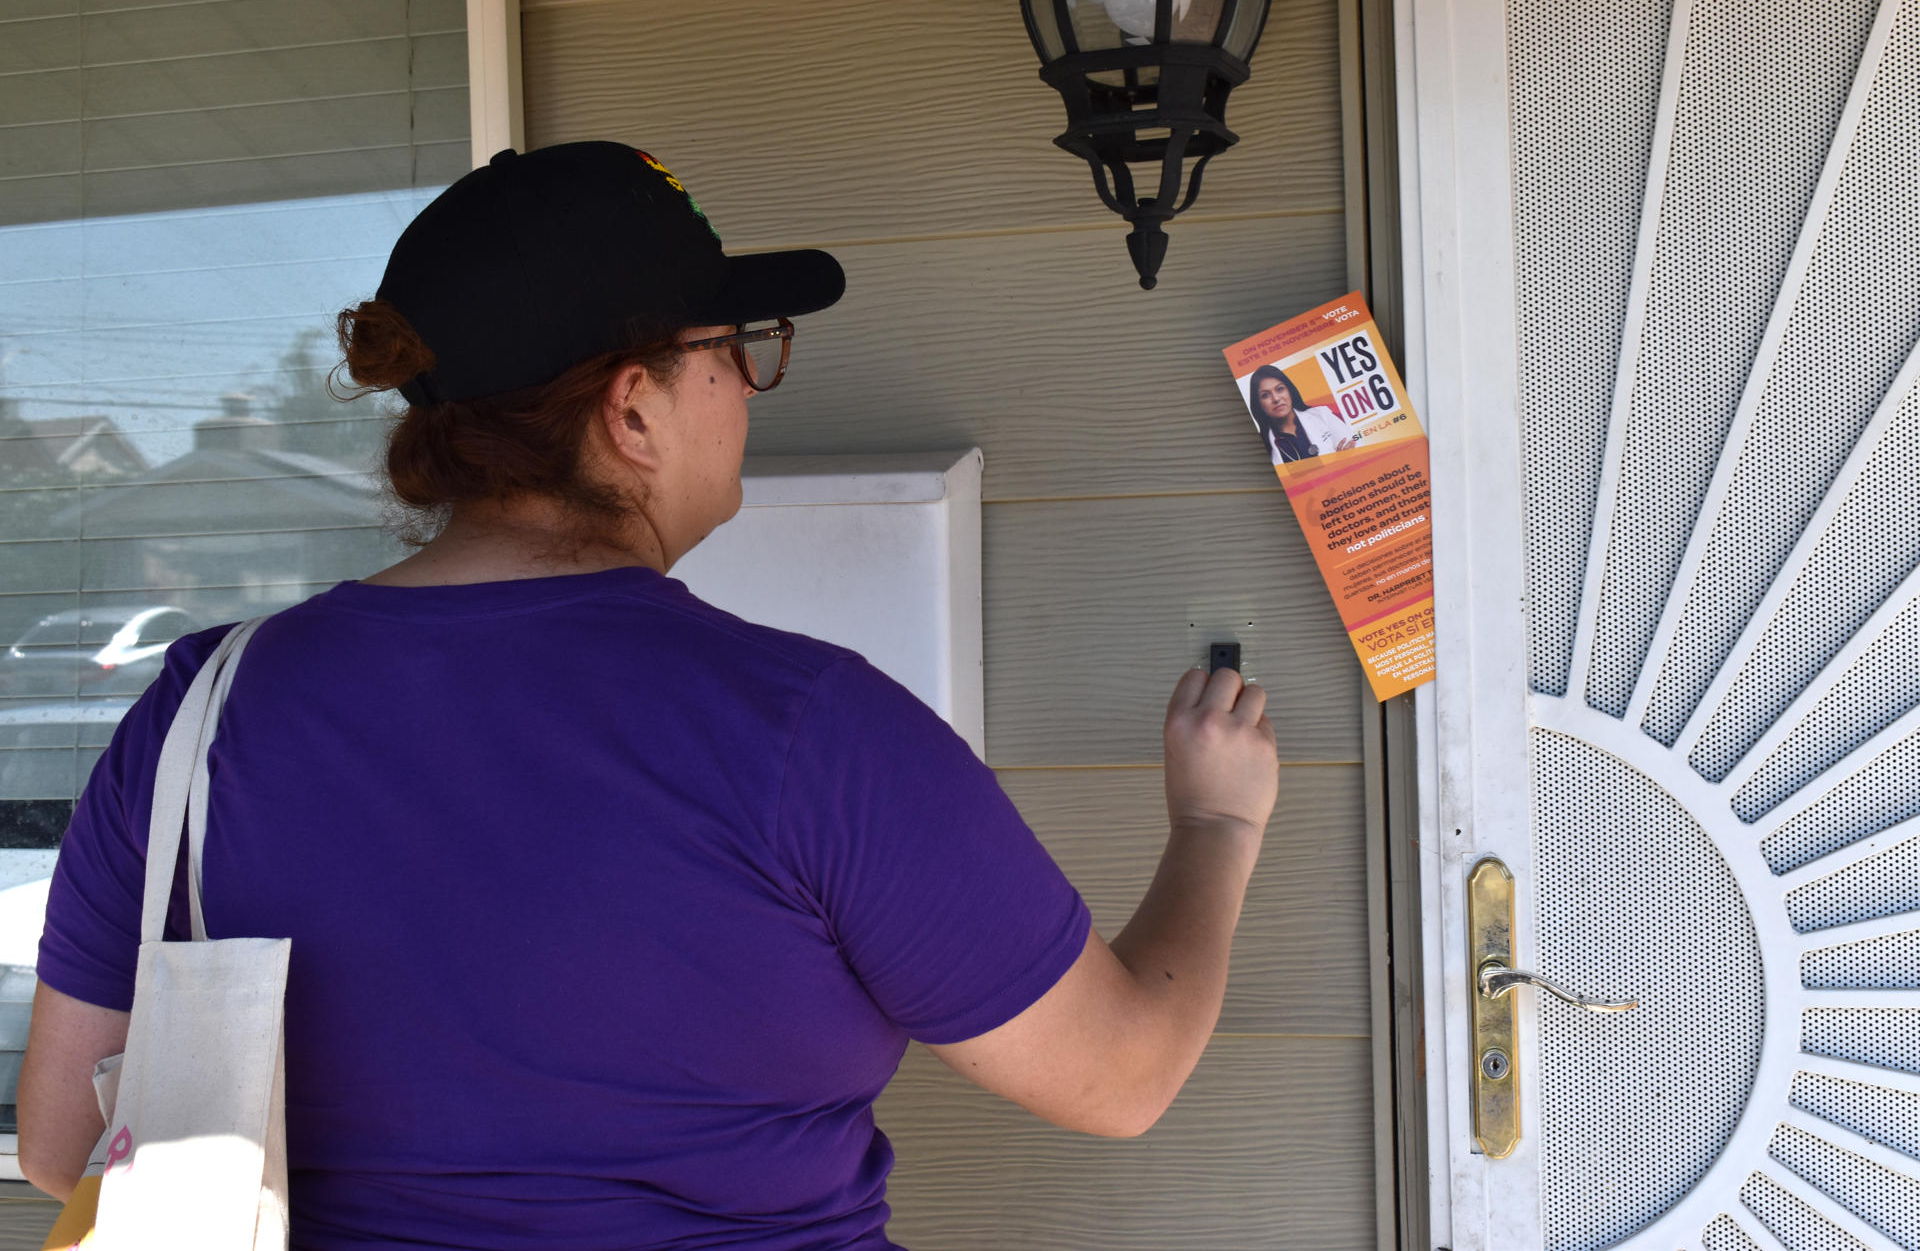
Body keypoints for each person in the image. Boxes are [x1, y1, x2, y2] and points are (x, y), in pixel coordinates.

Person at [20, 141, 1279, 1250]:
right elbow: (1120, 1073)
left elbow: (62, 1139)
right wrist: (1217, 828)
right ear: (631, 407)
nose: (745, 385)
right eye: (732, 352)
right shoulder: (811, 734)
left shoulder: (199, 713)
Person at [1247, 363, 1355, 463]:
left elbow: (1355, 451)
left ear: (1289, 390)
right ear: (1258, 404)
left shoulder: (1322, 415)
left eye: (1280, 389)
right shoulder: (1264, 446)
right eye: (1265, 395)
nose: (1275, 398)